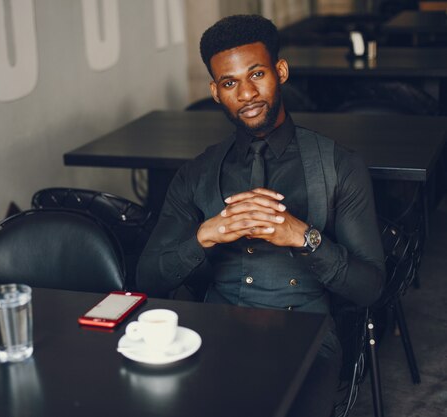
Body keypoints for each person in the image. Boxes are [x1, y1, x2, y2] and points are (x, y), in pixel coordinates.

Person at [136, 14, 385, 417]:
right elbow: (146, 279)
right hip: (212, 332)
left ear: (280, 71)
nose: (247, 93)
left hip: (307, 340)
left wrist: (306, 239)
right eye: (230, 83)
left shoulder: (340, 165)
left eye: (257, 74)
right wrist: (205, 236)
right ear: (215, 92)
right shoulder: (195, 173)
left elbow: (370, 287)